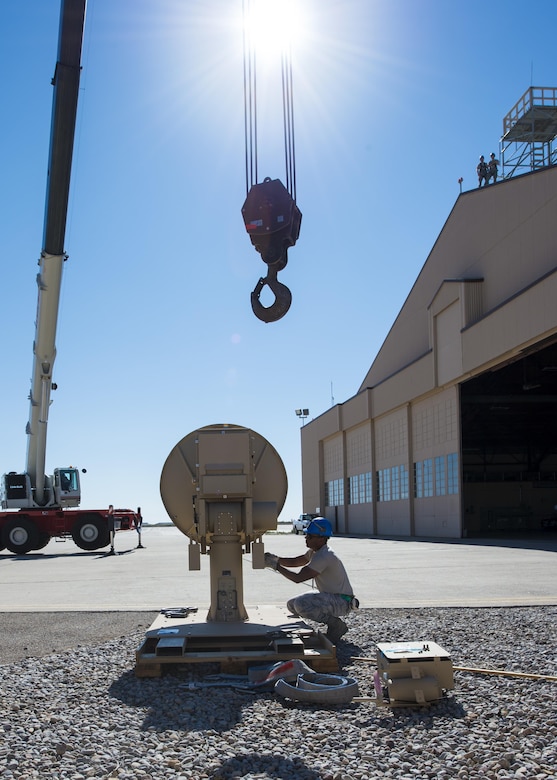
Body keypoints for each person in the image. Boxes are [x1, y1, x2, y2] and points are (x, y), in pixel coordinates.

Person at [264, 517, 358, 644]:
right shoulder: (315, 552)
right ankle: (333, 623)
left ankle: (336, 625)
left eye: (310, 536)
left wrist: (276, 566)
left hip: (341, 602)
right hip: (333, 597)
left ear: (321, 538)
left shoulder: (324, 556)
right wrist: (276, 559)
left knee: (301, 605)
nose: (306, 538)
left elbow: (298, 578)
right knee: (292, 604)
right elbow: (296, 561)